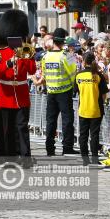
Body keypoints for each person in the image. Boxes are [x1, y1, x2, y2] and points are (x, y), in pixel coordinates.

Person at [0, 10, 36, 166]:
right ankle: (8, 157)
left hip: (21, 95)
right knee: (6, 130)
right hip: (5, 96)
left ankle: (26, 157)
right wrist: (7, 64)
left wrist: (27, 57)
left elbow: (32, 70)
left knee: (21, 128)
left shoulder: (25, 52)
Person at [41, 27, 78, 156]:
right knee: (67, 120)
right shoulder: (66, 56)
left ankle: (49, 148)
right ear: (63, 41)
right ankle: (67, 147)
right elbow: (74, 73)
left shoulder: (45, 56)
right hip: (64, 91)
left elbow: (44, 74)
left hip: (51, 92)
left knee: (51, 121)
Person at [75, 51, 108, 165]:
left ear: (83, 61)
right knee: (94, 135)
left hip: (83, 109)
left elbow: (77, 92)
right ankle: (95, 159)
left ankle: (85, 159)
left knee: (83, 135)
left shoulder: (78, 75)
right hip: (96, 109)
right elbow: (104, 94)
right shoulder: (98, 76)